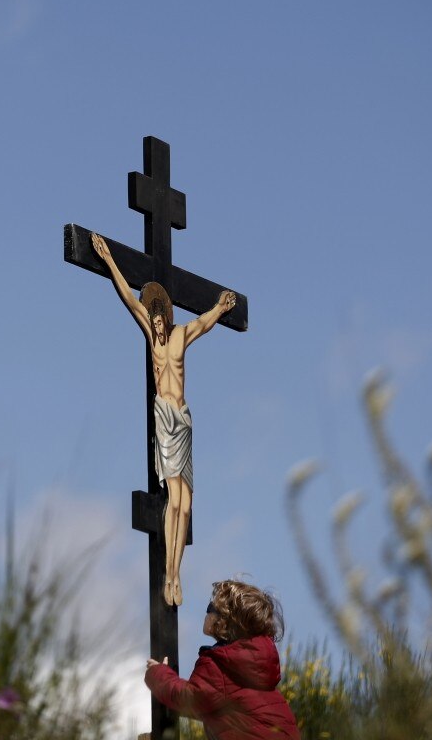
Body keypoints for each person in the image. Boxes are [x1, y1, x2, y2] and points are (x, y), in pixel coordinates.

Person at [90, 233, 236, 606]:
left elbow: (203, 322)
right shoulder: (151, 339)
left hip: (183, 420)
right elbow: (126, 295)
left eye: (159, 318)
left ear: (167, 317)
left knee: (187, 504)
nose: (156, 323)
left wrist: (220, 307)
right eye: (152, 318)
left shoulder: (180, 337)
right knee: (173, 500)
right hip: (166, 418)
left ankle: (178, 572)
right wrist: (109, 261)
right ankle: (169, 576)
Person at [144, 580, 300, 739]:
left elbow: (190, 698)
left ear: (224, 622)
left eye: (211, 608)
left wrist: (159, 675)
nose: (206, 613)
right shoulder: (253, 663)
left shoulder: (222, 664)